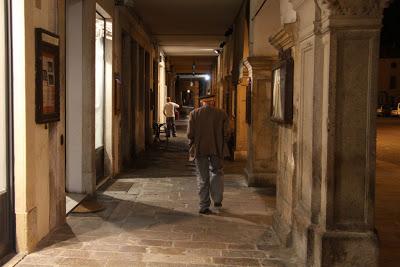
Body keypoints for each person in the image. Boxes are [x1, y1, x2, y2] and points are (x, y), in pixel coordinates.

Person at [187, 97, 230, 214]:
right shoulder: (222, 114)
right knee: (217, 171)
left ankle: (204, 205)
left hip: (200, 148)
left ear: (202, 102)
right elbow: (227, 133)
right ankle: (217, 199)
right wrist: (221, 141)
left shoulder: (194, 113)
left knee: (202, 177)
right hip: (217, 147)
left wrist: (192, 143)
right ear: (213, 102)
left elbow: (190, 133)